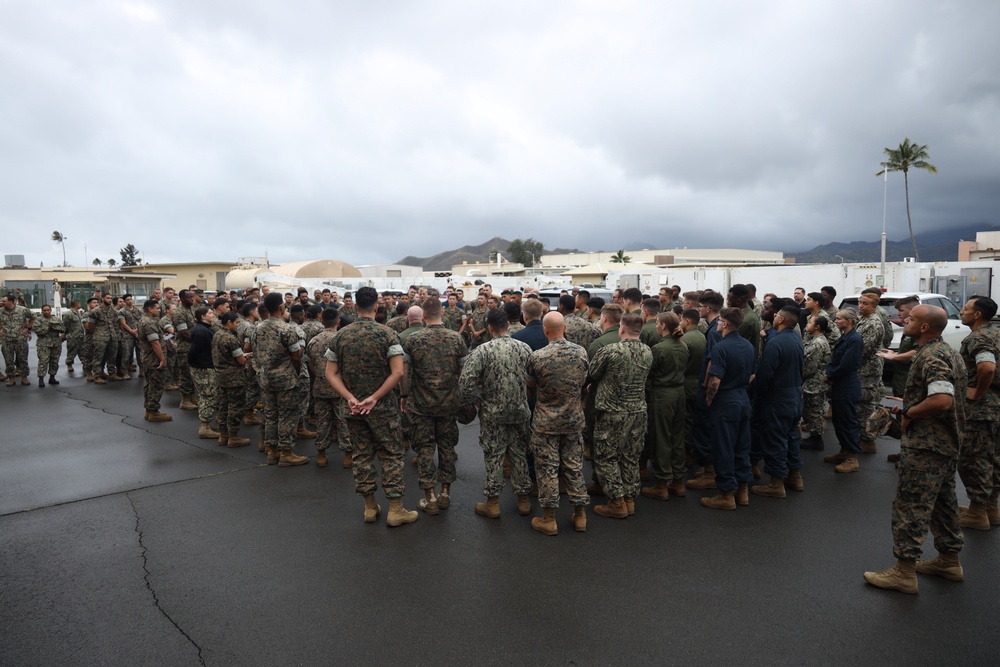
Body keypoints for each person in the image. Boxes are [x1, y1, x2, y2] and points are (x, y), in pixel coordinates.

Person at [864, 305, 967, 594]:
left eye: (910, 319)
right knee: (943, 504)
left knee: (912, 506)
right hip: (944, 443)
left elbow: (942, 400)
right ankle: (949, 561)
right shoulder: (943, 351)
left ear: (924, 327)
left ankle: (904, 572)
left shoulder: (933, 355)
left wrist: (909, 412)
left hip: (928, 446)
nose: (904, 320)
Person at [325, 286, 417, 526]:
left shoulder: (340, 336)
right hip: (383, 408)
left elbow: (330, 373)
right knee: (392, 455)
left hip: (354, 409)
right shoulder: (387, 335)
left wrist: (349, 397)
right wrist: (375, 397)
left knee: (362, 455)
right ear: (377, 307)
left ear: (355, 307)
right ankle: (395, 509)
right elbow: (398, 372)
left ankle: (369, 507)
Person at [459, 308, 533, 519]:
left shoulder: (482, 351)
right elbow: (533, 378)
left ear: (490, 328)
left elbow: (465, 384)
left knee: (494, 455)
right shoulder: (524, 348)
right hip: (520, 409)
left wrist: (476, 401)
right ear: (508, 325)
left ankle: (492, 503)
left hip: (492, 411)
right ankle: (524, 500)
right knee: (519, 453)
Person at [402, 297, 469, 515]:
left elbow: (404, 373)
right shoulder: (456, 339)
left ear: (422, 316)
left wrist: (404, 396)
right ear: (442, 313)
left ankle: (429, 496)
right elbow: (462, 373)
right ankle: (445, 493)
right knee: (447, 448)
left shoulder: (414, 340)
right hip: (449, 404)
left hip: (421, 405)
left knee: (425, 449)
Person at [525, 312, 590, 535]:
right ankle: (580, 515)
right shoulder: (580, 352)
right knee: (573, 467)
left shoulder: (537, 356)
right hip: (573, 419)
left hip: (545, 421)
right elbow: (582, 383)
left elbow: (531, 386)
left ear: (545, 330)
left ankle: (549, 518)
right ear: (564, 327)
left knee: (547, 469)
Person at [588, 312, 652, 518]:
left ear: (621, 329)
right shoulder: (648, 351)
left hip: (612, 411)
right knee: (631, 457)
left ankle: (616, 501)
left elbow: (594, 373)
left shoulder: (610, 351)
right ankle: (630, 498)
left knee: (607, 457)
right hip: (638, 411)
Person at [701, 307, 756, 510]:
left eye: (719, 321)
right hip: (743, 398)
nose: (716, 324)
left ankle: (726, 493)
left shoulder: (720, 347)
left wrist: (709, 399)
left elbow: (715, 380)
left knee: (723, 447)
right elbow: (752, 374)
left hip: (726, 400)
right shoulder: (748, 345)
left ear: (725, 324)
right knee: (742, 446)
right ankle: (742, 490)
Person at [955, 296, 1000, 530]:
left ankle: (977, 511)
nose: (962, 311)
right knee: (992, 457)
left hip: (982, 409)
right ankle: (990, 507)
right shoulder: (995, 333)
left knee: (974, 459)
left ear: (978, 315)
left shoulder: (979, 337)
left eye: (966, 308)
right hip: (996, 404)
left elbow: (987, 367)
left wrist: (977, 393)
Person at [751, 306, 805, 497]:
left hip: (778, 398)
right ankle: (795, 475)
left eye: (775, 315)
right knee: (791, 437)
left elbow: (765, 374)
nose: (773, 317)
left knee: (775, 439)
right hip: (794, 396)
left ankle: (776, 482)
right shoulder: (796, 340)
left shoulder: (775, 342)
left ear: (781, 320)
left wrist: (758, 391)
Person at [257, 293, 311, 468]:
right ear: (281, 307)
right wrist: (296, 374)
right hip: (285, 379)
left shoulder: (258, 327)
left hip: (266, 377)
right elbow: (296, 356)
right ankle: (286, 452)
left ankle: (272, 451)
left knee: (271, 415)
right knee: (287, 416)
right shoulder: (287, 329)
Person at [642, 312, 689, 500]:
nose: (655, 326)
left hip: (662, 395)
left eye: (658, 323)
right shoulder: (683, 345)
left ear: (662, 325)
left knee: (661, 438)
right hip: (679, 393)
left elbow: (649, 374)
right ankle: (678, 481)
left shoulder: (659, 348)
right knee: (677, 437)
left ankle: (661, 483)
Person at [825, 309, 863, 472]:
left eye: (839, 319)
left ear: (849, 321)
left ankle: (852, 458)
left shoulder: (854, 339)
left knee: (847, 420)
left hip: (847, 384)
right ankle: (844, 451)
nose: (836, 321)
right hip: (840, 383)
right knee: (839, 420)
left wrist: (830, 375)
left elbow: (847, 364)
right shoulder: (845, 337)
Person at [306, 308, 342, 467]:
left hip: (320, 386)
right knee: (343, 421)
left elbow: (310, 363)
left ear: (321, 321)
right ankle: (348, 455)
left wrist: (321, 374)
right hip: (341, 388)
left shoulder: (314, 341)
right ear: (338, 321)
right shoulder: (342, 339)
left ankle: (321, 454)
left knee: (322, 421)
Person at [211, 311, 251, 448]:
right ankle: (233, 436)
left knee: (223, 405)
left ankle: (223, 435)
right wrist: (246, 357)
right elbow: (240, 360)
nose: (237, 325)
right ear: (229, 322)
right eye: (236, 323)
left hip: (221, 375)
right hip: (234, 378)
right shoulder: (231, 339)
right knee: (235, 406)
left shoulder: (217, 335)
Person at [856, 293, 886, 453]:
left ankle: (868, 440)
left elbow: (863, 349)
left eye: (865, 303)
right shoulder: (864, 320)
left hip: (867, 370)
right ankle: (862, 438)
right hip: (861, 369)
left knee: (865, 406)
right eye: (860, 302)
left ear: (874, 306)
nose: (861, 306)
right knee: (860, 405)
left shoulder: (873, 323)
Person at [800, 314, 833, 449]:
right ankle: (814, 437)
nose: (807, 325)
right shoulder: (815, 340)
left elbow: (810, 367)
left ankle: (816, 439)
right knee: (812, 411)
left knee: (815, 411)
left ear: (817, 327)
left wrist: (799, 376)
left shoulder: (818, 343)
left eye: (810, 323)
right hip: (813, 382)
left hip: (815, 383)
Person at [136, 299, 171, 422]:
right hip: (153, 359)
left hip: (147, 358)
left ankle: (149, 410)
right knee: (156, 385)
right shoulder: (149, 322)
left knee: (150, 385)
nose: (159, 310)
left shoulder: (144, 320)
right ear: (150, 309)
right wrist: (162, 359)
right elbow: (155, 343)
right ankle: (153, 411)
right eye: (157, 308)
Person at [188, 307, 220, 440]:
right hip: (203, 368)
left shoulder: (203, 329)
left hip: (202, 366)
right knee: (208, 396)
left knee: (206, 395)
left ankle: (206, 424)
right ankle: (205, 426)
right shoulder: (202, 331)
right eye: (210, 313)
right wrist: (196, 364)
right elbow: (193, 351)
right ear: (202, 316)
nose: (213, 315)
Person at [172, 290, 199, 409]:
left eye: (192, 297)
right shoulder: (179, 312)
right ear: (182, 299)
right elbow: (184, 333)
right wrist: (198, 342)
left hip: (193, 347)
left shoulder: (192, 310)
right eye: (189, 298)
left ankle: (192, 396)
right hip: (185, 348)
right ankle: (185, 400)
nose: (192, 299)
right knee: (186, 374)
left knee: (193, 374)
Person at [32, 305, 64, 386]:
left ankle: (52, 377)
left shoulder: (56, 319)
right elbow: (38, 331)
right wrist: (48, 327)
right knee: (43, 361)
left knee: (54, 361)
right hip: (43, 344)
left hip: (55, 344)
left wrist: (56, 327)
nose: (46, 312)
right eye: (44, 310)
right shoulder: (38, 320)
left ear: (50, 310)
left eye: (48, 310)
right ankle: (41, 379)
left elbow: (63, 329)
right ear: (42, 311)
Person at [62, 300, 85, 373]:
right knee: (71, 351)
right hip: (72, 336)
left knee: (83, 351)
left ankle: (85, 364)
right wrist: (65, 334)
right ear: (77, 304)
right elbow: (65, 325)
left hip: (81, 335)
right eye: (79, 304)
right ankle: (69, 364)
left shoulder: (78, 313)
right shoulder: (68, 314)